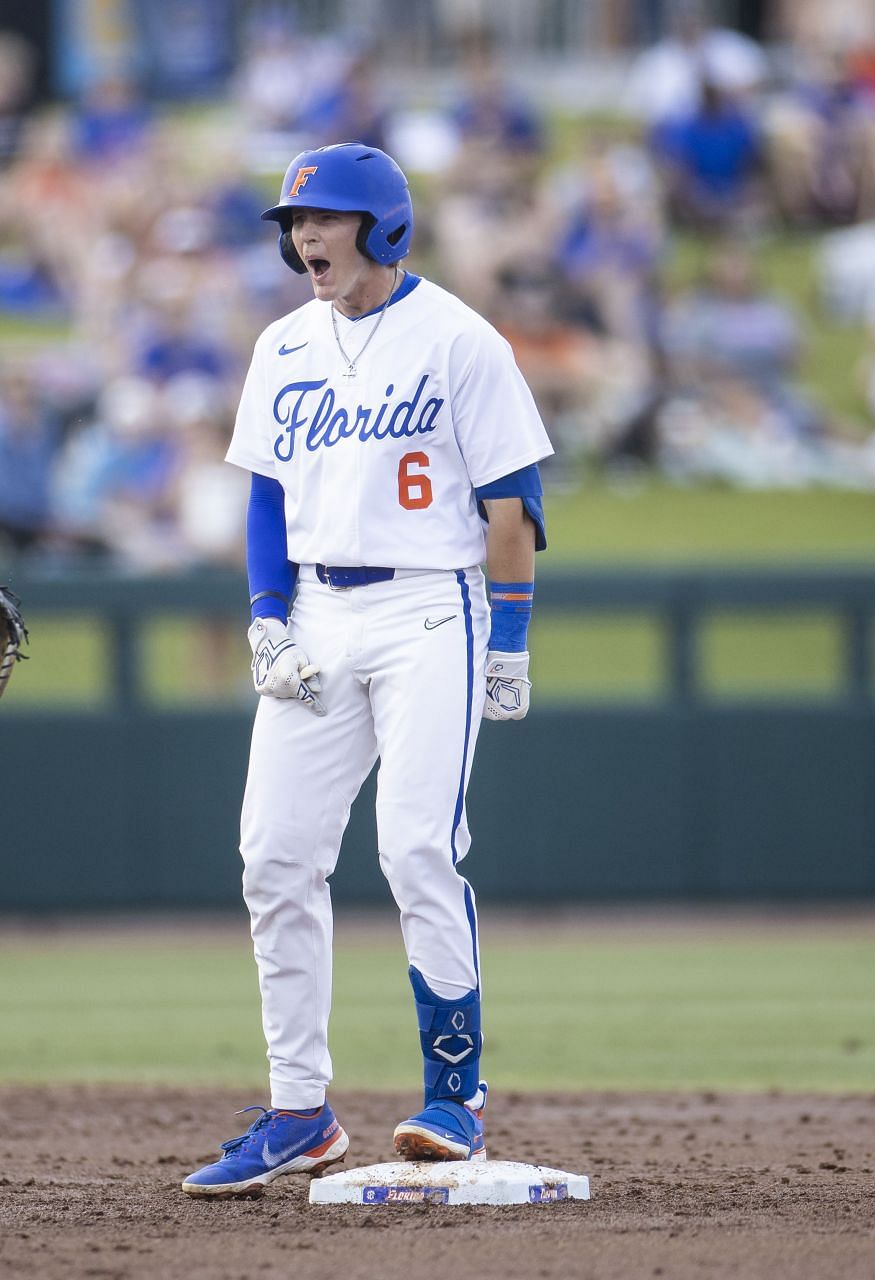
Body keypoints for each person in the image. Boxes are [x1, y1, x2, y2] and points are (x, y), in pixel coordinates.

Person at [181, 143, 551, 1198]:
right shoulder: (283, 343)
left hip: (430, 602)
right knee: (273, 854)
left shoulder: (460, 339)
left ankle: (456, 1095)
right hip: (318, 608)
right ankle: (300, 1110)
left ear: (383, 227)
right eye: (295, 222)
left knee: (416, 844)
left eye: (327, 219)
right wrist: (265, 617)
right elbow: (264, 495)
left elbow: (512, 502)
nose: (304, 237)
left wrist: (512, 636)